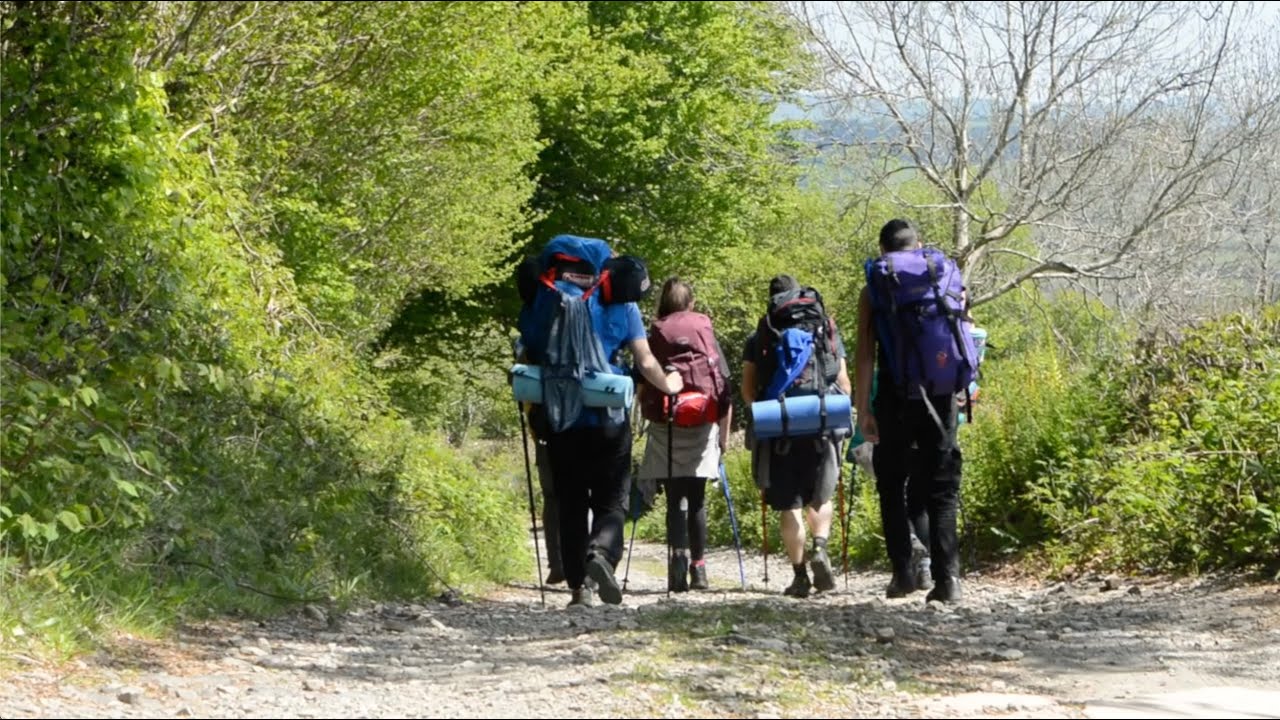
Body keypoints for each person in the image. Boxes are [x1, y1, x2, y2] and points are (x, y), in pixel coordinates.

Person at [518, 235, 683, 608]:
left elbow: (528, 352)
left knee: (571, 501)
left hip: (560, 419)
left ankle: (579, 589)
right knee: (611, 501)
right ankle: (600, 554)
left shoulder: (541, 299)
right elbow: (644, 361)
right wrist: (669, 385)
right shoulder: (619, 302)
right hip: (608, 416)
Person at [855, 219, 971, 603]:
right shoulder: (942, 277)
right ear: (918, 245)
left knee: (891, 483)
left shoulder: (874, 289)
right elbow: (962, 335)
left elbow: (864, 356)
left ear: (882, 249)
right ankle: (948, 580)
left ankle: (903, 573)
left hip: (894, 395)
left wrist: (863, 410)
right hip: (940, 395)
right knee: (942, 487)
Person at [743, 274, 852, 598]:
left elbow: (749, 392)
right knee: (822, 496)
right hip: (820, 422)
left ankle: (800, 575)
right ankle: (820, 546)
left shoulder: (761, 335)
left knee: (789, 505)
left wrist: (767, 415)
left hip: (778, 429)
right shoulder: (825, 330)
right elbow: (844, 384)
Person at [636, 278, 733, 592]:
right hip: (703, 419)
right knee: (698, 499)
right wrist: (724, 436)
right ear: (691, 304)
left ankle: (677, 560)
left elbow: (642, 380)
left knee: (675, 496)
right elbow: (722, 385)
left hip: (668, 421)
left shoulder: (656, 331)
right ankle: (699, 568)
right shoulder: (705, 330)